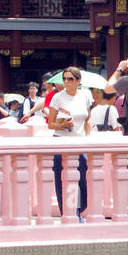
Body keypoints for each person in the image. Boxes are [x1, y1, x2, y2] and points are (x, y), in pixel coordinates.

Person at [48, 67, 90, 219]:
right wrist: (62, 125)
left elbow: (87, 119)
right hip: (62, 140)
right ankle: (72, 213)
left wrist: (88, 137)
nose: (66, 82)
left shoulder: (85, 95)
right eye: (64, 79)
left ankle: (80, 207)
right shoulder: (58, 98)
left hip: (80, 142)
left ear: (78, 81)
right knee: (63, 180)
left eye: (70, 79)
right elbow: (50, 123)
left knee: (83, 181)